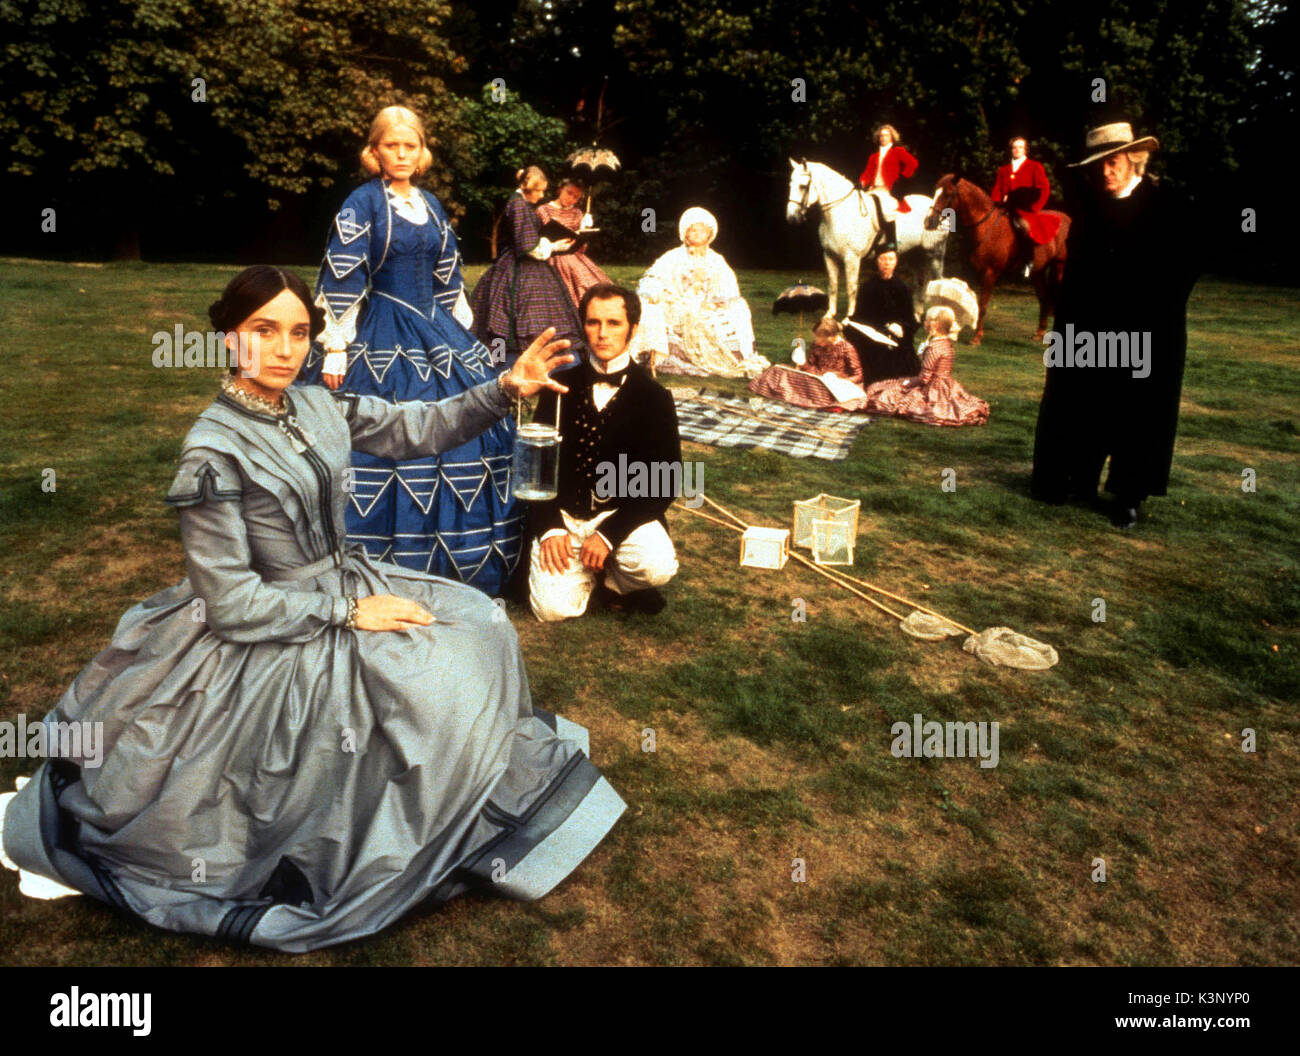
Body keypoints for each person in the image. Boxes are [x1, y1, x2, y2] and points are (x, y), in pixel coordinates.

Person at [0, 266, 626, 952]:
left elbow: (415, 425)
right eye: (262, 331)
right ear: (227, 337)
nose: (284, 348)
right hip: (267, 621)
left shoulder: (314, 404)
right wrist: (348, 616)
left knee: (479, 621)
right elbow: (231, 601)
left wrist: (505, 388)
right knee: (414, 673)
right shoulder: (211, 450)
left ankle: (467, 790)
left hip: (345, 577)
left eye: (298, 332)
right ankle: (399, 813)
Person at [297, 106, 517, 594]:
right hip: (379, 327)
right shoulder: (361, 203)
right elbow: (344, 272)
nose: (401, 154)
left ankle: (461, 558)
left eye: (410, 146)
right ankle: (368, 561)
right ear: (374, 151)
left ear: (422, 153)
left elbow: (447, 274)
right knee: (376, 432)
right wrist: (336, 347)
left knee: (474, 419)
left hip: (435, 328)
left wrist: (460, 334)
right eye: (391, 145)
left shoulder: (430, 203)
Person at [1030, 122, 1199, 528]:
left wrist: (1155, 309)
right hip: (1090, 325)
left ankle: (1128, 494)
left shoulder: (1167, 204)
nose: (1105, 172)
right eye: (1098, 165)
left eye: (1113, 162)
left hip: (1147, 328)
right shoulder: (1089, 206)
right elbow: (1077, 269)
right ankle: (1073, 479)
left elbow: (1187, 266)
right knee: (1077, 397)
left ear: (1134, 159)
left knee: (1140, 411)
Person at [529, 284, 681, 621]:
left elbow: (664, 483)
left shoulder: (654, 396)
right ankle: (587, 574)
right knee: (551, 611)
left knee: (655, 565)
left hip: (617, 517)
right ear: (582, 325)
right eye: (593, 322)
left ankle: (613, 579)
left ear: (634, 329)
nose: (602, 333)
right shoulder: (558, 387)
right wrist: (551, 527)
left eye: (614, 323)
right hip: (565, 517)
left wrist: (609, 535)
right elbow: (535, 469)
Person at [470, 165, 586, 369]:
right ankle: (506, 364)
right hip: (518, 268)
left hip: (519, 265)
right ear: (527, 188)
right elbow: (528, 245)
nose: (541, 196)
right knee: (508, 317)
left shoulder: (519, 204)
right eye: (539, 190)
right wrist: (554, 245)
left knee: (513, 316)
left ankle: (514, 361)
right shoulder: (518, 206)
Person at [632, 207, 767, 378]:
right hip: (677, 304)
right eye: (693, 230)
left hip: (707, 304)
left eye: (701, 230)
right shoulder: (672, 257)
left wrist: (715, 300)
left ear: (709, 234)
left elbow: (728, 287)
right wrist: (655, 292)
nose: (697, 234)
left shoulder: (716, 260)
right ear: (685, 233)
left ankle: (736, 355)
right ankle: (677, 355)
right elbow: (653, 277)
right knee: (684, 313)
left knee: (738, 308)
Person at [862, 305, 989, 426]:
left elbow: (924, 379)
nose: (924, 322)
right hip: (947, 385)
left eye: (926, 320)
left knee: (884, 391)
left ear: (934, 325)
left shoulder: (933, 347)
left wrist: (906, 382)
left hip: (932, 388)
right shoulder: (947, 343)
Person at [747, 317, 869, 411]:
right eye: (816, 337)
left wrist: (841, 381)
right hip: (816, 379)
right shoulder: (816, 345)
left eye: (820, 338)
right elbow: (810, 367)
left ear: (832, 337)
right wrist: (802, 363)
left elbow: (858, 376)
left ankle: (801, 395)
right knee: (778, 370)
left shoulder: (847, 348)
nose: (816, 340)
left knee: (819, 389)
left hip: (837, 385)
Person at [843, 247, 920, 383]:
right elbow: (860, 315)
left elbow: (909, 318)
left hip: (896, 338)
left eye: (891, 259)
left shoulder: (903, 288)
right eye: (883, 259)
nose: (887, 263)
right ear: (877, 261)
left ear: (896, 262)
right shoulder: (867, 287)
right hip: (873, 336)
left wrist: (901, 327)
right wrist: (848, 322)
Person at [536, 176, 613, 306]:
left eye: (576, 197)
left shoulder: (577, 213)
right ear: (560, 189)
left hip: (573, 256)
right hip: (550, 256)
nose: (571, 198)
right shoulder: (543, 210)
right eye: (569, 193)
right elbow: (538, 237)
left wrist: (584, 229)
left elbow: (581, 247)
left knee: (588, 284)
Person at [991, 136, 1062, 255]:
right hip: (1005, 209)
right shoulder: (1003, 170)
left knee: (1024, 228)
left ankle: (1028, 260)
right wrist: (996, 203)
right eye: (1014, 147)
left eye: (1020, 147)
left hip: (1025, 210)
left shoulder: (1035, 166)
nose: (1017, 150)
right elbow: (997, 189)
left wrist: (1035, 208)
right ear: (1011, 150)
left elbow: (1044, 190)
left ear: (1025, 150)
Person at [858, 124, 920, 246]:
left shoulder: (897, 151)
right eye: (881, 135)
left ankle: (892, 244)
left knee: (887, 212)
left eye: (886, 135)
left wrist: (902, 178)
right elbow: (867, 173)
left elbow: (913, 163)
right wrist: (861, 182)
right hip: (873, 189)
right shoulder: (873, 156)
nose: (883, 138)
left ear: (892, 137)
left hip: (889, 190)